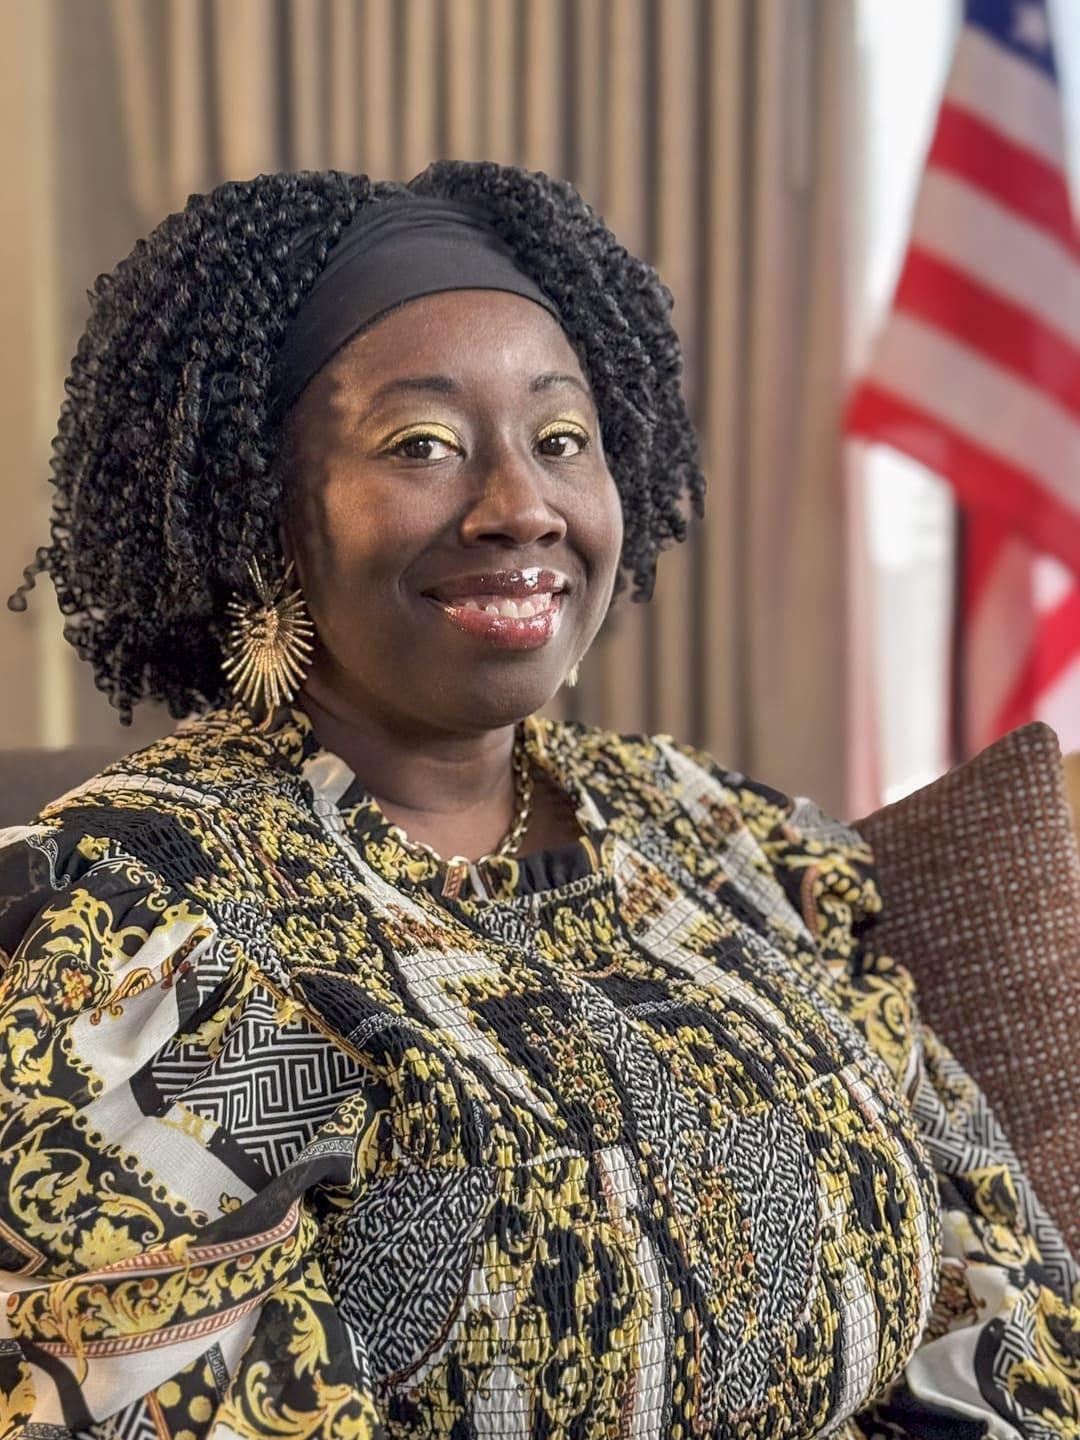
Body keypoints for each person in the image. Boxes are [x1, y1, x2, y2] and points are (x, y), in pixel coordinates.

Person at [0, 160, 1075, 1440]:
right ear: (264, 520)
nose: (521, 504)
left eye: (562, 440)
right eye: (424, 446)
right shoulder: (140, 927)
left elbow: (1001, 1297)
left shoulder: (728, 841)